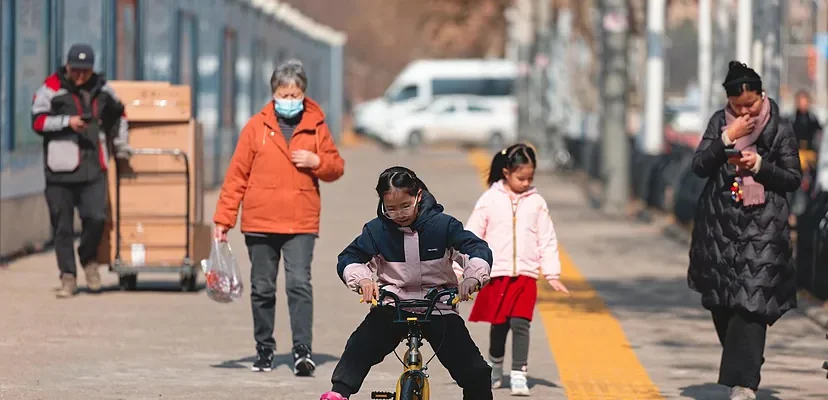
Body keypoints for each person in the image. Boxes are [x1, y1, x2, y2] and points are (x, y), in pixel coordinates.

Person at [213, 59, 345, 376]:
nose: (289, 100)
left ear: (303, 94)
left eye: (294, 94)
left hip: (301, 221)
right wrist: (223, 221)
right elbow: (236, 177)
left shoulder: (316, 126)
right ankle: (265, 349)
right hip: (260, 223)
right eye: (283, 95)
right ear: (273, 95)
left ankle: (302, 350)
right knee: (263, 288)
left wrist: (316, 161)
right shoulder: (254, 128)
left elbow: (336, 167)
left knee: (299, 284)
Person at [320, 167, 494, 400]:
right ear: (382, 203)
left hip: (438, 306)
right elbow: (350, 258)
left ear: (418, 196)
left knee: (475, 371)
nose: (399, 214)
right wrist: (361, 279)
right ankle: (338, 393)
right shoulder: (376, 231)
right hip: (394, 305)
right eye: (391, 209)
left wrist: (473, 276)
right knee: (359, 346)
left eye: (405, 206)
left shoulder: (443, 226)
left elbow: (476, 250)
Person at [688, 61, 801, 400]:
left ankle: (744, 384)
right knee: (721, 303)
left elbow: (793, 178)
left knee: (750, 302)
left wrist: (761, 166)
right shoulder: (719, 124)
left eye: (750, 105)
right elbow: (699, 166)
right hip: (720, 226)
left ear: (761, 96)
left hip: (764, 227)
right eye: (737, 108)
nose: (745, 113)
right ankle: (748, 361)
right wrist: (726, 139)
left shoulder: (779, 129)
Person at [464, 143, 569, 396]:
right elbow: (472, 235)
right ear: (506, 173)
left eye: (530, 178)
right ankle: (495, 367)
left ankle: (519, 373)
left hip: (525, 275)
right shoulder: (489, 199)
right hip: (496, 273)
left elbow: (547, 238)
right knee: (499, 324)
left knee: (521, 323)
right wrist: (463, 270)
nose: (526, 182)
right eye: (521, 178)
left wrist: (551, 272)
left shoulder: (537, 202)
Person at [31, 43, 131, 298]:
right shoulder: (51, 88)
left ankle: (88, 260)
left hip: (93, 167)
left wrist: (120, 146)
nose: (80, 76)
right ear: (68, 66)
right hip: (59, 170)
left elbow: (120, 115)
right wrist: (67, 122)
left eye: (85, 72)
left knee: (96, 218)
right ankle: (68, 277)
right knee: (62, 226)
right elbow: (38, 120)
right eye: (76, 70)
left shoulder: (103, 88)